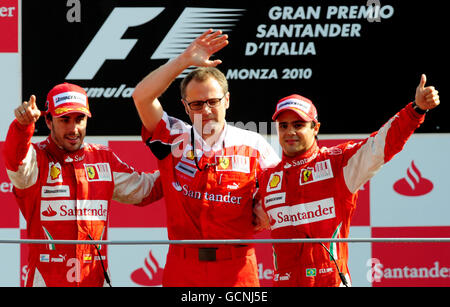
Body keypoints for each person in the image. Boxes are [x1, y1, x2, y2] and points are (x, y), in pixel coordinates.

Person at [255, 74, 440, 287]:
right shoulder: (268, 177)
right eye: (283, 126)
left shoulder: (337, 164)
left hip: (330, 282)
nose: (290, 132)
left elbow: (381, 145)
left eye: (298, 124)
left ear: (315, 128)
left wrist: (416, 110)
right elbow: (240, 217)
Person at [132, 29, 280, 287]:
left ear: (227, 101)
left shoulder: (254, 144)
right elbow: (141, 96)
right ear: (186, 107)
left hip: (237, 268)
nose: (207, 110)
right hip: (183, 266)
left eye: (213, 101)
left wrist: (269, 209)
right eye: (197, 104)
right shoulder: (173, 137)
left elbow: (282, 190)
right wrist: (184, 60)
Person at [3, 82, 163, 287]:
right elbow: (15, 163)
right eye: (65, 120)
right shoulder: (36, 158)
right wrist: (22, 127)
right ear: (49, 121)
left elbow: (145, 190)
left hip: (94, 280)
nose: (73, 129)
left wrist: (180, 165)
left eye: (79, 119)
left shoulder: (102, 158)